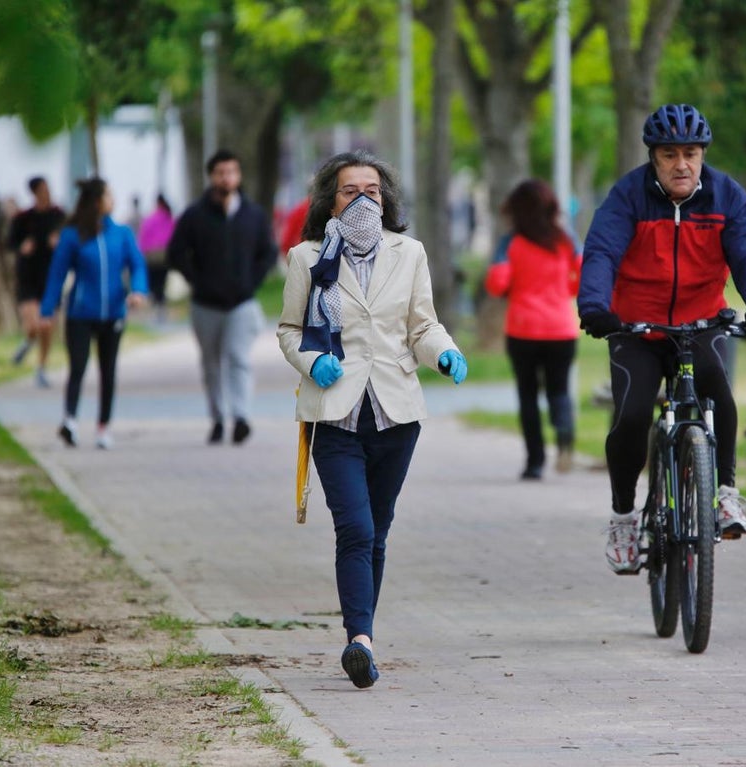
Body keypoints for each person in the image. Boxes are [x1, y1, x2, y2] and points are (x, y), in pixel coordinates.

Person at [277, 150, 468, 689]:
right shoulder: (308, 257)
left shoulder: (409, 253)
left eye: (372, 191)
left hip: (395, 414)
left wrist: (444, 352)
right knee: (355, 528)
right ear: (329, 200)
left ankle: (365, 634)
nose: (362, 199)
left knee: (377, 529)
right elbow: (290, 330)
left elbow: (422, 326)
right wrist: (314, 360)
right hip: (333, 414)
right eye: (349, 191)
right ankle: (358, 640)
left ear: (386, 200)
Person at [577, 103, 746, 573]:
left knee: (718, 393)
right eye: (669, 154)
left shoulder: (725, 196)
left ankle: (726, 493)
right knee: (630, 417)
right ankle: (624, 517)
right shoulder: (628, 196)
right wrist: (595, 307)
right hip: (636, 327)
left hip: (701, 321)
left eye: (690, 153)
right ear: (653, 157)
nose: (681, 164)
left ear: (702, 155)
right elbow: (603, 250)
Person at [167, 149, 277, 445]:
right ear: (211, 176)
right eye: (221, 172)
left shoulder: (253, 215)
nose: (227, 177)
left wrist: (251, 280)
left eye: (232, 172)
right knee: (211, 363)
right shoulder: (195, 215)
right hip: (206, 304)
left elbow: (268, 252)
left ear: (238, 175)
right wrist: (196, 279)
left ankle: (240, 417)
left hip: (241, 302)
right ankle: (217, 418)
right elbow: (175, 252)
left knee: (238, 358)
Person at [38, 178, 148, 449]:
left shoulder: (121, 234)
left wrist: (138, 291)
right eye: (109, 196)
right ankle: (70, 421)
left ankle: (103, 428)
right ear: (96, 201)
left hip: (113, 313)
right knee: (78, 366)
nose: (113, 200)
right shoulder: (72, 235)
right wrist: (47, 308)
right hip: (80, 313)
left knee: (108, 371)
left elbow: (137, 265)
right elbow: (57, 274)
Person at [484, 178, 581, 480]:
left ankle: (535, 462)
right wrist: (561, 288)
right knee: (559, 390)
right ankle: (564, 436)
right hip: (561, 329)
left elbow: (497, 283)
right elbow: (580, 277)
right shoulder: (565, 240)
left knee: (528, 396)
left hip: (523, 329)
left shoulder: (509, 242)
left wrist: (515, 286)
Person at [6, 176, 65, 387]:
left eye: (47, 188)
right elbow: (10, 243)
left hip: (50, 278)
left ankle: (41, 367)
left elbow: (69, 239)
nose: (46, 193)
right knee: (33, 325)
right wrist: (22, 247)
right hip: (28, 278)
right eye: (42, 189)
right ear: (34, 193)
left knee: (46, 326)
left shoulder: (59, 216)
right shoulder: (23, 218)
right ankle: (28, 341)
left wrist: (58, 243)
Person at [138, 193, 174, 321]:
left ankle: (158, 305)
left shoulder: (151, 219)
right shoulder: (169, 217)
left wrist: (141, 252)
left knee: (154, 283)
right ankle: (161, 305)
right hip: (165, 256)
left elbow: (143, 237)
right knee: (161, 283)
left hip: (152, 256)